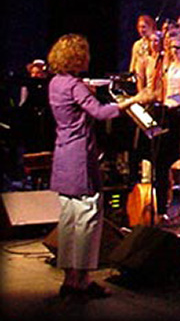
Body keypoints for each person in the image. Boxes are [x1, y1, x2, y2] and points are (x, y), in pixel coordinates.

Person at [48, 34, 150, 299]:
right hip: (79, 156)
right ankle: (81, 281)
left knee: (68, 219)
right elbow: (101, 112)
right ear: (77, 57)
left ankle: (70, 279)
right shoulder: (75, 86)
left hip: (63, 153)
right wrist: (135, 99)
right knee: (87, 217)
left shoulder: (56, 83)